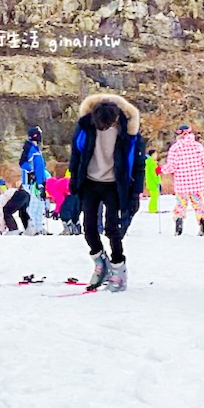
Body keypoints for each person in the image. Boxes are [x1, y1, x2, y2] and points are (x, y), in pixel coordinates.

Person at [69, 93, 145, 291]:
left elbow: (138, 164)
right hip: (90, 182)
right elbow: (76, 154)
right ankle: (100, 264)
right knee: (89, 228)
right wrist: (74, 180)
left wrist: (135, 192)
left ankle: (119, 268)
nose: (103, 128)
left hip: (114, 184)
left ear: (116, 119)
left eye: (107, 125)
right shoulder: (86, 125)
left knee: (113, 229)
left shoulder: (129, 132)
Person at [164, 125, 204, 236]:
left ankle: (179, 223)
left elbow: (171, 167)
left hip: (181, 183)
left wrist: (162, 169)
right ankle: (203, 224)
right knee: (199, 204)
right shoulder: (198, 146)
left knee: (181, 204)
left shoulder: (175, 148)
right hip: (197, 182)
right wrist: (202, 172)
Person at [19, 127, 49, 235]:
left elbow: (40, 166)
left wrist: (43, 179)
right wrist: (31, 172)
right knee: (34, 204)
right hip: (32, 182)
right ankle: (31, 227)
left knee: (40, 204)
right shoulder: (29, 148)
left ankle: (38, 226)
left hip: (39, 181)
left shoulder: (36, 149)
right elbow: (22, 162)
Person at [144, 148, 160, 214]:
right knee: (154, 196)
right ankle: (152, 209)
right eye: (155, 154)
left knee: (155, 196)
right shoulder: (151, 163)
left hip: (152, 182)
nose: (156, 155)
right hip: (152, 182)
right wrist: (157, 181)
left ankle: (154, 208)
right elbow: (154, 174)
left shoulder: (151, 162)